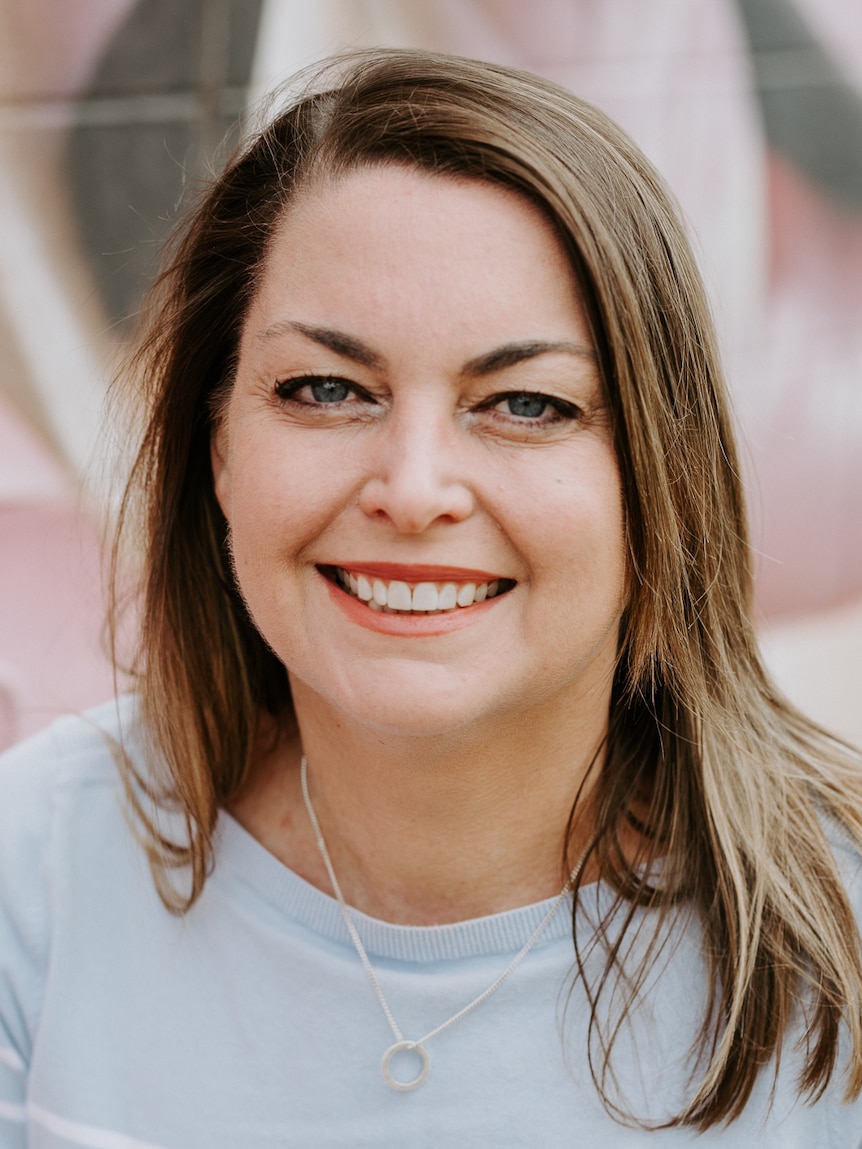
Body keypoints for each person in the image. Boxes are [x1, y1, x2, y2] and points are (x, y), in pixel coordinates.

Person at [1, 48, 862, 1148]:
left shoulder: (834, 933)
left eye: (525, 404)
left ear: (658, 476)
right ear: (217, 447)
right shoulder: (32, 873)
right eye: (325, 390)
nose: (411, 491)